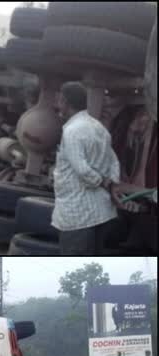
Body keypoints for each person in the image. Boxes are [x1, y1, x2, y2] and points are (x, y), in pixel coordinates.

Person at [52, 82, 124, 255]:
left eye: (59, 100)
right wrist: (113, 183)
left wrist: (104, 182)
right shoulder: (98, 127)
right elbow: (114, 161)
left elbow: (82, 169)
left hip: (78, 215)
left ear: (65, 101)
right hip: (101, 212)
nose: (57, 104)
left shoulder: (72, 131)